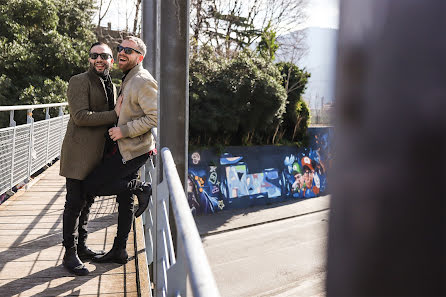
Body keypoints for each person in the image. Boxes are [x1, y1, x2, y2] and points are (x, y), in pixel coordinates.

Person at [81, 36, 157, 265]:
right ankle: (119, 249)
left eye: (129, 50)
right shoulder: (129, 78)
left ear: (140, 57)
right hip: (128, 148)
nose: (123, 52)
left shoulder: (142, 80)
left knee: (90, 185)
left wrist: (124, 131)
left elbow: (155, 116)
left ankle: (140, 187)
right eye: (121, 48)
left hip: (133, 149)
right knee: (124, 200)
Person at [59, 42, 122, 276]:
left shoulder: (111, 85)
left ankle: (82, 247)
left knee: (88, 202)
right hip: (78, 154)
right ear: (89, 59)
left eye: (104, 56)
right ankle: (69, 253)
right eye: (94, 55)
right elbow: (80, 116)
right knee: (74, 203)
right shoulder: (79, 81)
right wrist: (114, 114)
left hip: (99, 155)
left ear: (110, 61)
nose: (99, 59)